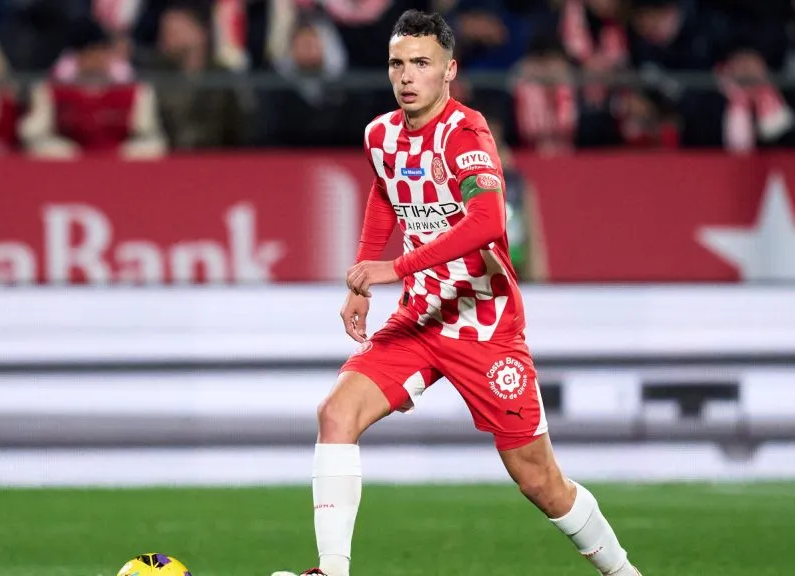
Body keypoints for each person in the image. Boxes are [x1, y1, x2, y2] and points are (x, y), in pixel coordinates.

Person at [272, 10, 641, 576]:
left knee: (539, 479)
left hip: (483, 324)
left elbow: (488, 221)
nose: (407, 76)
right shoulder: (381, 134)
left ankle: (623, 572)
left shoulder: (464, 133)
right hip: (420, 321)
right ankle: (333, 571)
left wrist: (396, 265)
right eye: (398, 63)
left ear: (449, 70)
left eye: (421, 63)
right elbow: (384, 192)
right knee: (336, 413)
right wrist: (360, 281)